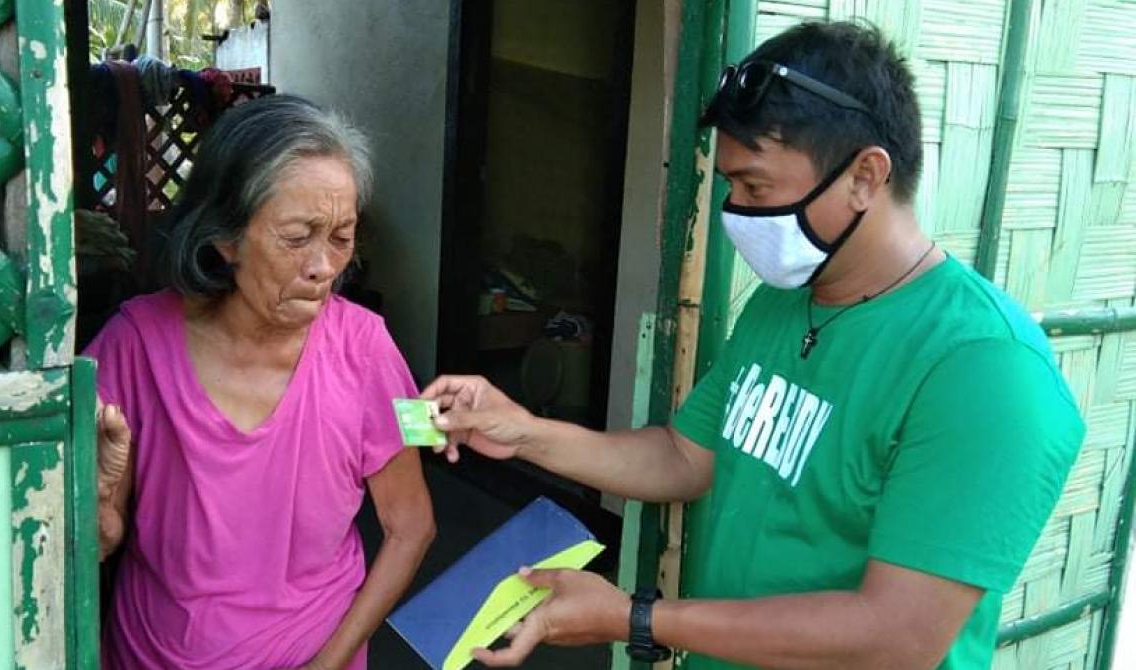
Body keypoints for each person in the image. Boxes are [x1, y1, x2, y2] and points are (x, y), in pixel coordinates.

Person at [421, 22, 1084, 670]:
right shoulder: (783, 301)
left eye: (756, 186)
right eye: (730, 185)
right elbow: (685, 457)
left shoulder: (986, 371)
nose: (736, 211)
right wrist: (525, 431)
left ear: (865, 176)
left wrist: (635, 617)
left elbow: (896, 637)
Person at [90, 95, 436, 670]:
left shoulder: (367, 348)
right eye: (298, 237)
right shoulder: (136, 343)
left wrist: (329, 663)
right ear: (224, 238)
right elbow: (94, 541)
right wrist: (97, 510)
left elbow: (412, 526)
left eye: (341, 237)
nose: (324, 266)